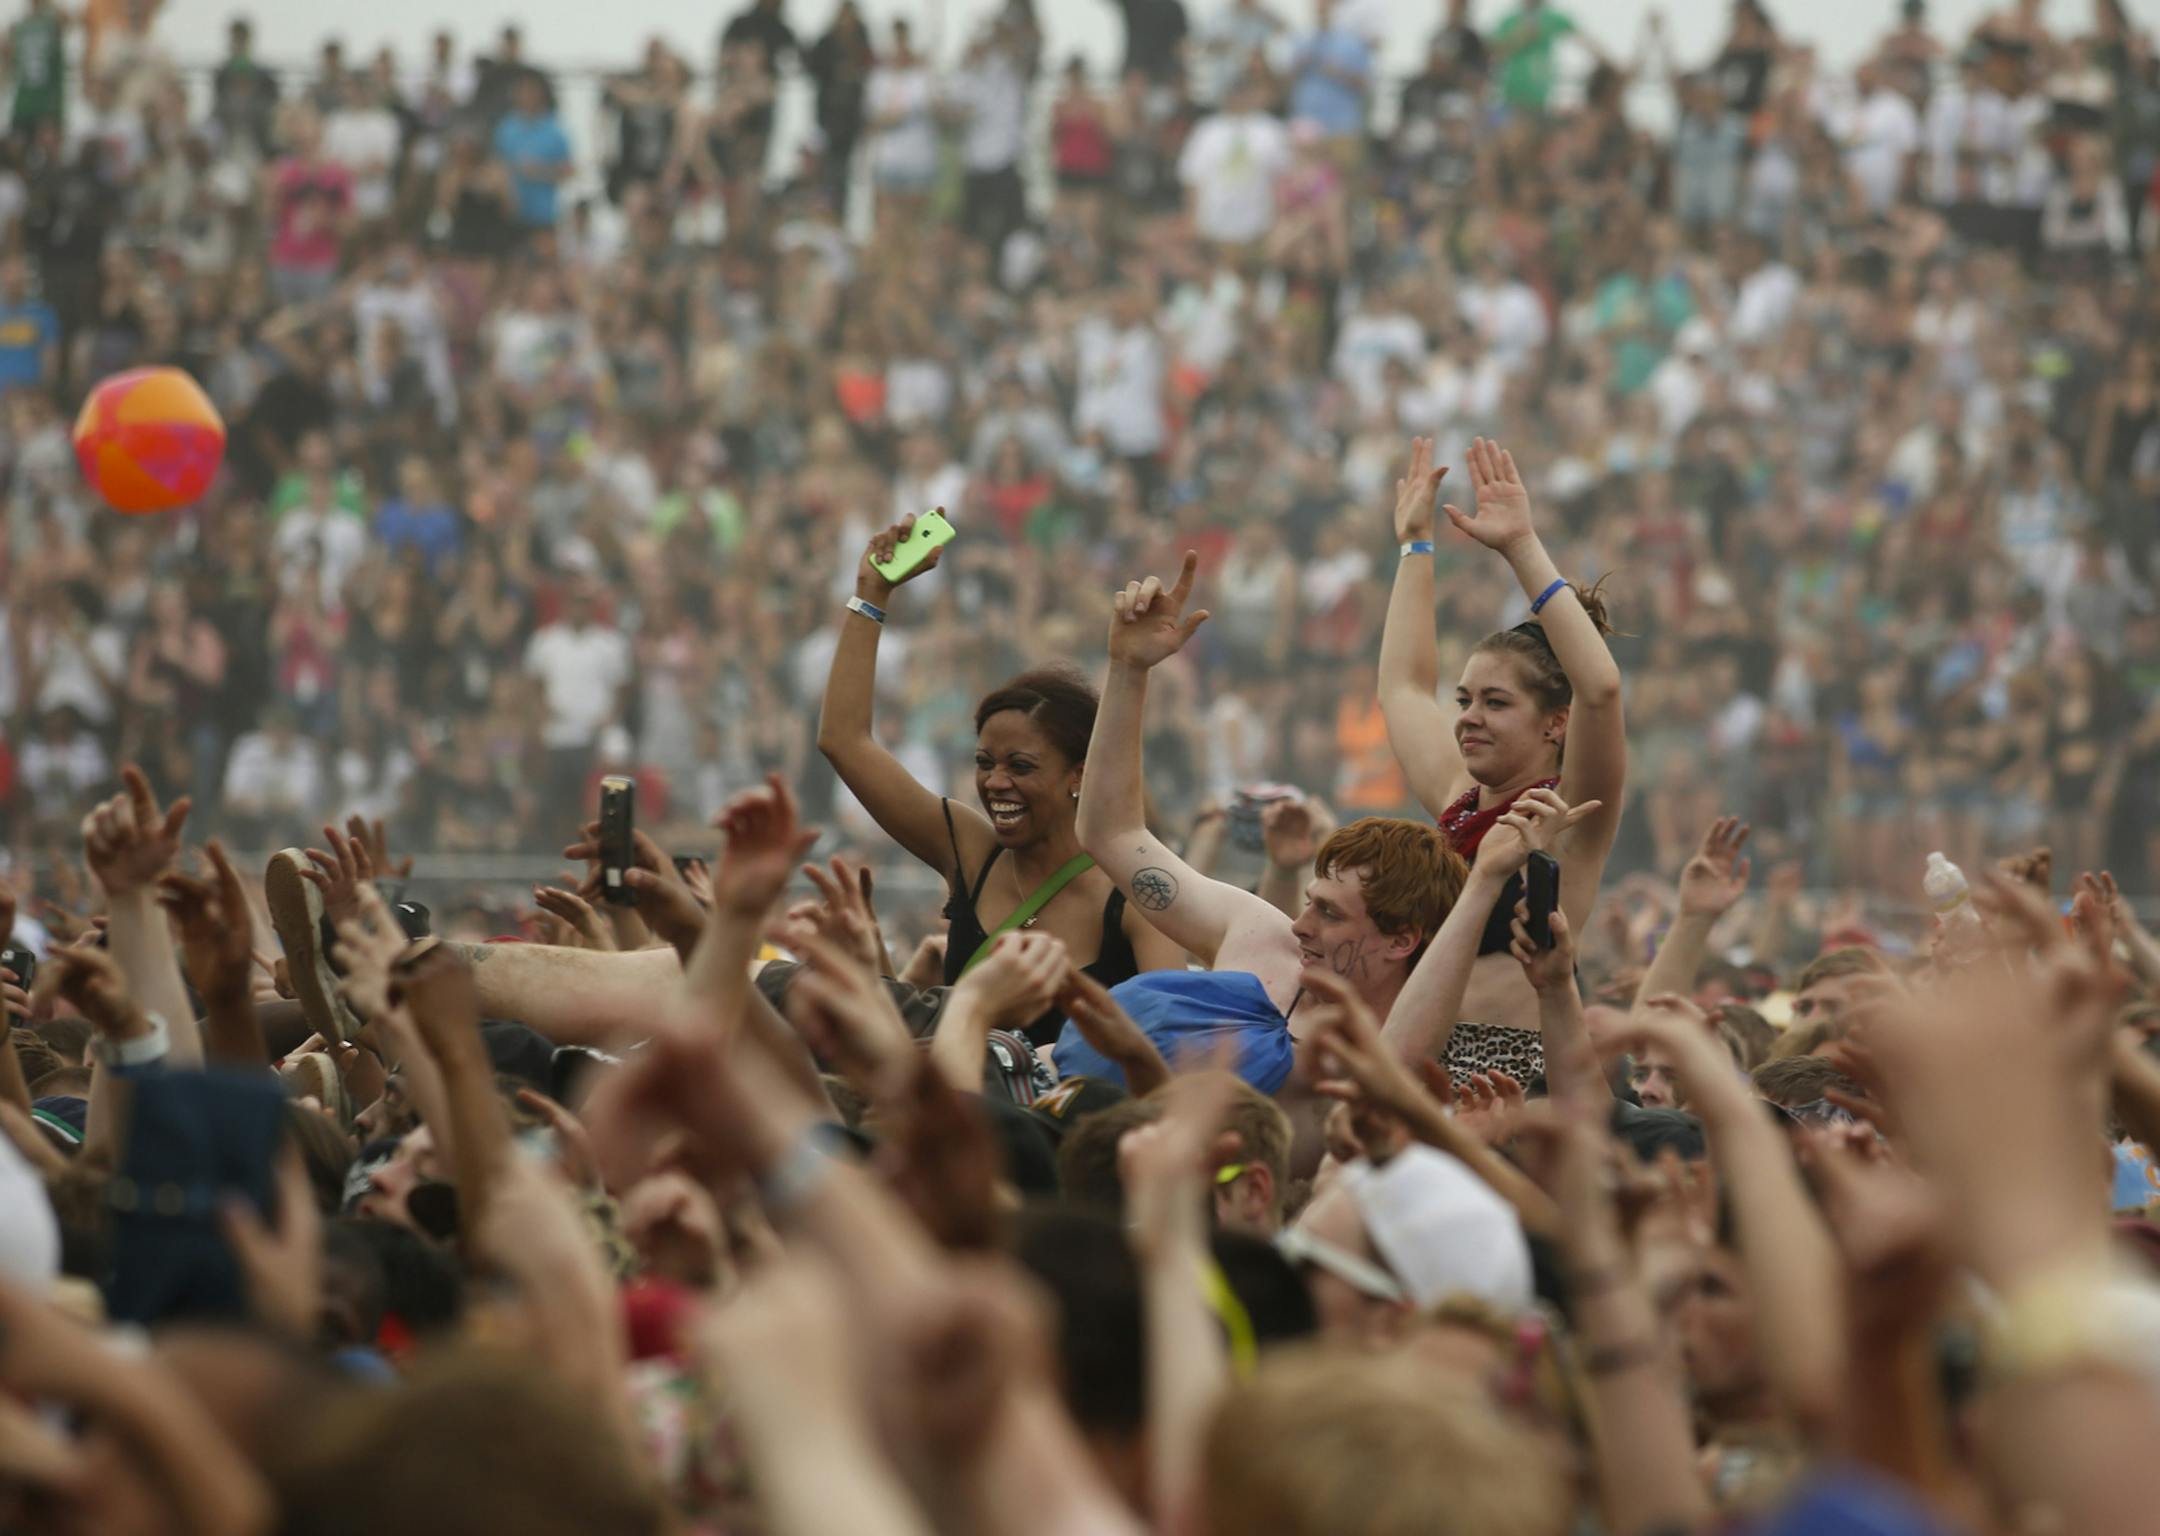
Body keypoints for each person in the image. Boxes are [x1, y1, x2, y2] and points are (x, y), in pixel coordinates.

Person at [818, 516, 1186, 1043]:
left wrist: (1132, 668)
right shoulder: (972, 852)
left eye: (1021, 766)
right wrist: (870, 594)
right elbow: (844, 741)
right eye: (985, 762)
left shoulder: (1132, 899)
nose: (995, 783)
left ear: (1077, 775)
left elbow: (1172, 1044)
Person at [1378, 437, 1626, 1048]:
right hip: (1419, 1062)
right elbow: (1405, 689)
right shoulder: (1460, 798)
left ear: (1555, 722)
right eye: (1464, 700)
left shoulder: (1571, 810)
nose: (1467, 719)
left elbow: (1600, 689)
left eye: (1496, 703)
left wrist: (1521, 546)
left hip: (1517, 1075)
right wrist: (1415, 545)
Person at [491, 70, 570, 236]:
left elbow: (569, 171)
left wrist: (541, 171)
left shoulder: (555, 130)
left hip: (543, 215)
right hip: (509, 213)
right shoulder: (506, 128)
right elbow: (495, 163)